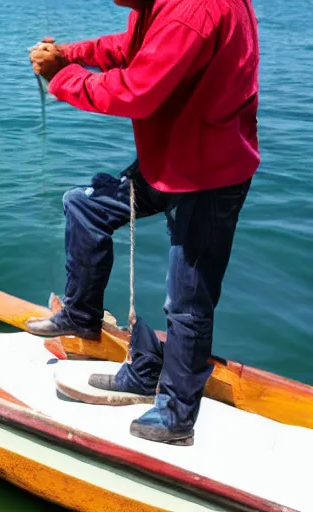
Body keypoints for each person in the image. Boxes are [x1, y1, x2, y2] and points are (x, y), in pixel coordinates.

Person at [26, 0, 259, 446]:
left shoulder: (194, 10)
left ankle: (175, 417)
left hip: (208, 173)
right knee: (86, 206)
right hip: (172, 160)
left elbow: (137, 91)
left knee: (187, 299)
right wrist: (71, 54)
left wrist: (61, 78)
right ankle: (84, 318)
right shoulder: (161, 7)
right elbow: (134, 47)